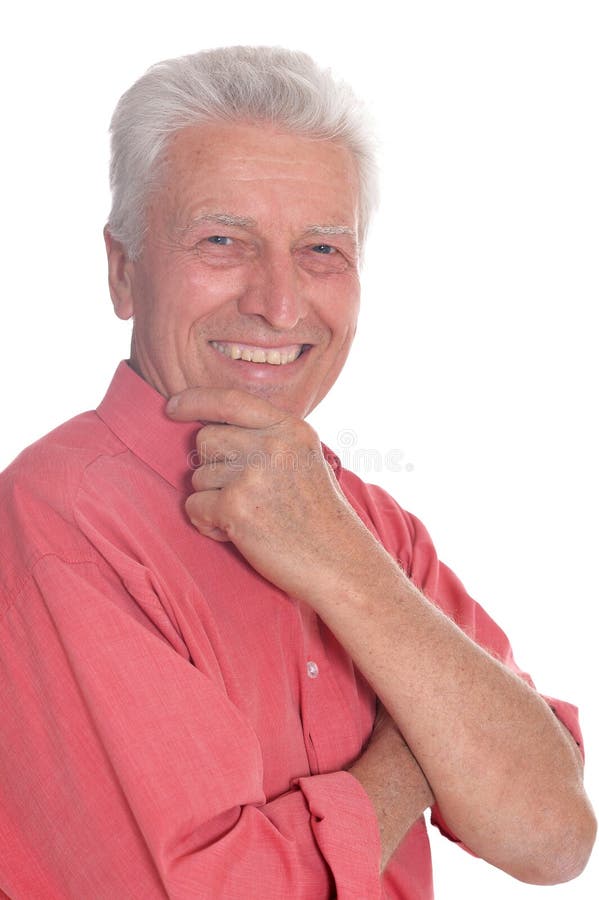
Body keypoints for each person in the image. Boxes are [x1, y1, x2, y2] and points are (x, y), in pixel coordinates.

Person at [0, 46, 595, 900]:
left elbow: (550, 836)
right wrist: (418, 749)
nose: (280, 304)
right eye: (221, 240)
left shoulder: (365, 523)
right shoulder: (58, 527)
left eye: (321, 248)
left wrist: (345, 567)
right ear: (122, 270)